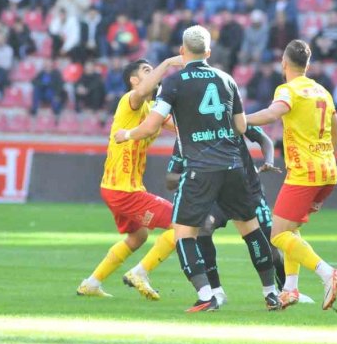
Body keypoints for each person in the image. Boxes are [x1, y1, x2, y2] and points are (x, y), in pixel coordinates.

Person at [114, 26, 279, 312]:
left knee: (183, 234)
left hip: (200, 170)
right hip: (234, 166)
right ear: (209, 52)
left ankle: (207, 295)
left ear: (182, 51)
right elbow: (241, 127)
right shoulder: (227, 80)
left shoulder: (174, 82)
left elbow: (152, 125)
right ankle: (271, 293)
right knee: (251, 230)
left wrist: (126, 135)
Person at [245, 39, 337, 311]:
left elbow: (272, 113)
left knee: (277, 235)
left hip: (304, 173)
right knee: (292, 229)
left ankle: (327, 273)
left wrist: (241, 119)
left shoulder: (288, 90)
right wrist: (325, 158)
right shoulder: (322, 91)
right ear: (308, 64)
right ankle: (290, 288)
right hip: (328, 172)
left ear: (284, 63)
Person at [76, 56, 184, 300]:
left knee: (139, 236)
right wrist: (167, 64)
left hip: (118, 187)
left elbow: (180, 127)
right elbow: (144, 91)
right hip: (124, 189)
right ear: (134, 81)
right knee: (182, 224)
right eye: (147, 70)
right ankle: (140, 273)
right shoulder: (130, 100)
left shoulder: (151, 110)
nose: (153, 73)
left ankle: (91, 283)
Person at [163, 125, 305, 307]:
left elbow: (264, 139)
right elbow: (170, 178)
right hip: (214, 196)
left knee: (272, 240)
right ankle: (216, 291)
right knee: (204, 228)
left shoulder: (230, 118)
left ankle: (283, 290)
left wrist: (268, 160)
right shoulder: (187, 136)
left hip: (247, 190)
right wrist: (195, 176)